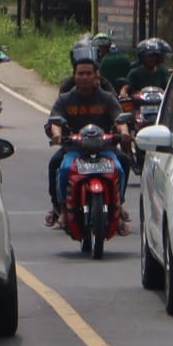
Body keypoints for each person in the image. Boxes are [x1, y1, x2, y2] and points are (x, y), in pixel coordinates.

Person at [45, 55, 131, 231]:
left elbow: (119, 119)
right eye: (81, 73)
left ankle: (118, 205)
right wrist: (57, 135)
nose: (84, 77)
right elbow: (55, 121)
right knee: (59, 167)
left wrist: (124, 133)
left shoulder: (107, 98)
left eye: (88, 73)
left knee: (122, 165)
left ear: (96, 76)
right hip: (74, 149)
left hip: (104, 148)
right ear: (74, 76)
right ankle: (60, 208)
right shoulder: (65, 99)